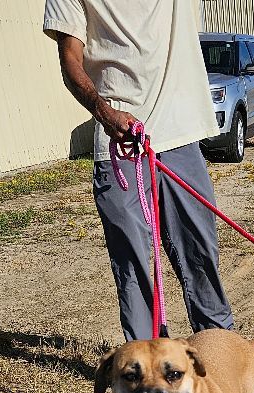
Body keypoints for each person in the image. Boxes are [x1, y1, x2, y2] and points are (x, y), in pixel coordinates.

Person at [43, 0, 234, 341]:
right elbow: (70, 58)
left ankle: (219, 350)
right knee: (131, 265)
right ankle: (148, 362)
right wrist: (104, 112)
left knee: (200, 253)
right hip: (121, 141)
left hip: (180, 133)